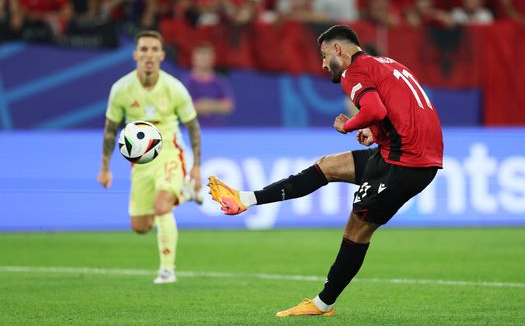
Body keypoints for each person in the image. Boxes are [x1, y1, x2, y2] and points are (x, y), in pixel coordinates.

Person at [207, 24, 443, 316]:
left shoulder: (353, 71)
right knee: (327, 166)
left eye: (323, 55)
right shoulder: (386, 63)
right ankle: (246, 198)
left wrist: (350, 124)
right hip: (403, 152)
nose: (322, 64)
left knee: (357, 230)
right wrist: (376, 132)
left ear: (338, 49)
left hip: (406, 162)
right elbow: (398, 110)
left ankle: (323, 304)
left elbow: (376, 110)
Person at [97, 30, 202, 285]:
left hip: (168, 151)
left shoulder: (174, 87)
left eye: (154, 49)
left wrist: (196, 166)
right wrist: (105, 167)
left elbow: (193, 126)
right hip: (140, 160)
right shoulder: (121, 89)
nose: (149, 55)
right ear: (135, 55)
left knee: (162, 206)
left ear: (162, 55)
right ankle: (186, 193)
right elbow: (111, 129)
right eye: (144, 49)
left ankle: (167, 270)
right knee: (140, 226)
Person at [182, 42, 235, 127]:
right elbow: (181, 107)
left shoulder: (220, 82)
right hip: (192, 130)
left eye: (207, 55)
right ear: (193, 58)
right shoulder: (186, 83)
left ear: (213, 58)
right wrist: (200, 106)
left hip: (217, 131)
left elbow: (228, 106)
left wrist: (210, 105)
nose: (204, 58)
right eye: (201, 55)